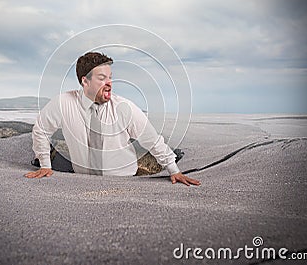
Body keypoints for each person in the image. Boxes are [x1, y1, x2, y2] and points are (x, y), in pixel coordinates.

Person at [24, 52, 200, 186]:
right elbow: (41, 129)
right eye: (102, 78)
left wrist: (174, 170)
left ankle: (174, 156)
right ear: (85, 81)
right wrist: (45, 165)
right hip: (83, 181)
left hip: (126, 180)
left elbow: (152, 140)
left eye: (110, 77)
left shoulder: (125, 107)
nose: (109, 83)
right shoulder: (63, 103)